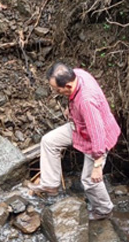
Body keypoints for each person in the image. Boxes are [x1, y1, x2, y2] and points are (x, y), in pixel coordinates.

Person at [29, 62, 121, 220]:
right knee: (49, 141)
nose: (56, 92)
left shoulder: (86, 101)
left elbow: (97, 133)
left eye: (58, 90)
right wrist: (71, 109)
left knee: (90, 180)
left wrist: (97, 165)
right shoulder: (78, 74)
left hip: (97, 138)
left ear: (69, 85)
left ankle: (104, 210)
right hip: (80, 127)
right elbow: (74, 99)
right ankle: (50, 184)